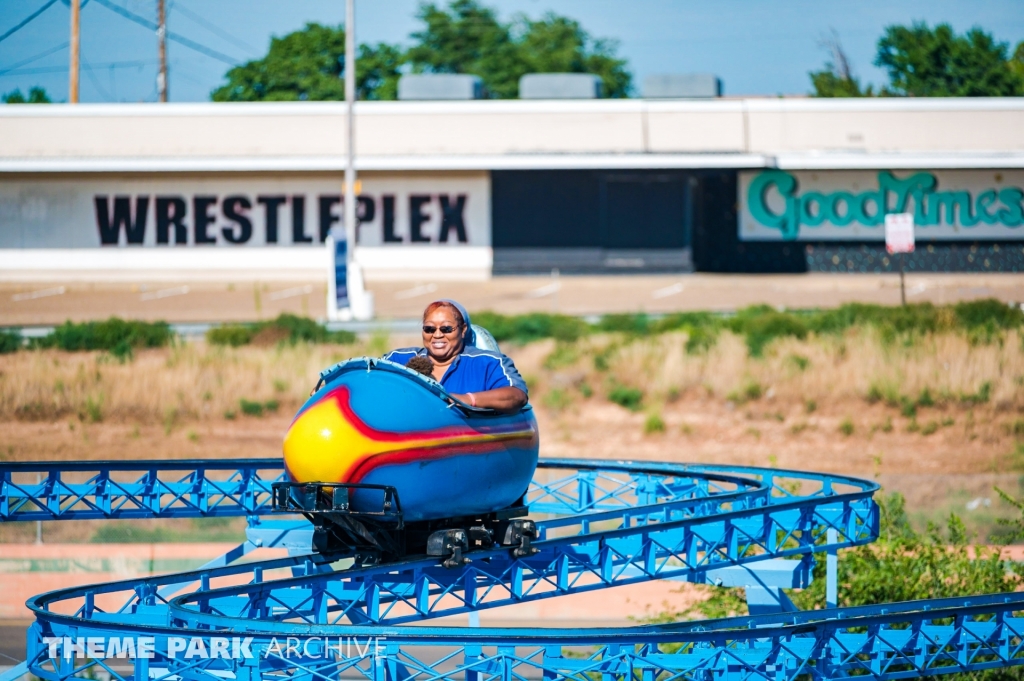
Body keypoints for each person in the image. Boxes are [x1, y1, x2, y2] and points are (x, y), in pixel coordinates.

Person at [383, 300, 528, 413]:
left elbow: (517, 396)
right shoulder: (397, 359)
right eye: (429, 329)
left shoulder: (488, 363)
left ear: (463, 330)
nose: (437, 335)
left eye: (446, 329)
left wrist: (465, 399)